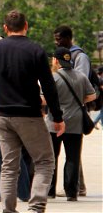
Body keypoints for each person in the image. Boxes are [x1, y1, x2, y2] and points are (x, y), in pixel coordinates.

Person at [0, 9, 63, 213]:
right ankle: (35, 207)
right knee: (44, 160)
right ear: (26, 26)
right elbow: (49, 86)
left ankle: (8, 209)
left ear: (6, 28)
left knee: (9, 166)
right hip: (29, 114)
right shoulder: (35, 50)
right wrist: (58, 117)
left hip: (2, 114)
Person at [45, 47, 94, 202]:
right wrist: (79, 101)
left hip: (55, 122)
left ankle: (50, 190)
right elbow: (92, 95)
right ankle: (71, 192)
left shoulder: (53, 78)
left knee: (52, 156)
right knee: (72, 157)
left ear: (55, 60)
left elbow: (44, 100)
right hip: (76, 122)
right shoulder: (81, 76)